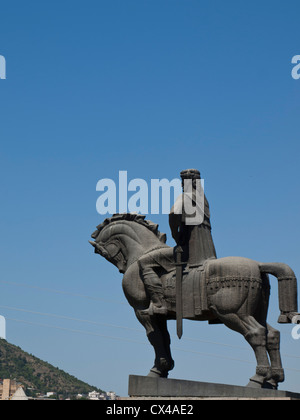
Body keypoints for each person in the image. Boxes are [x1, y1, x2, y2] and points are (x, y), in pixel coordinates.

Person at [139, 169, 216, 316]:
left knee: (145, 262)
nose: (181, 185)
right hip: (207, 249)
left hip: (190, 248)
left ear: (188, 182)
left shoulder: (187, 196)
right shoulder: (203, 199)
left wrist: (175, 234)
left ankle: (158, 304)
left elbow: (173, 213)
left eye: (183, 182)